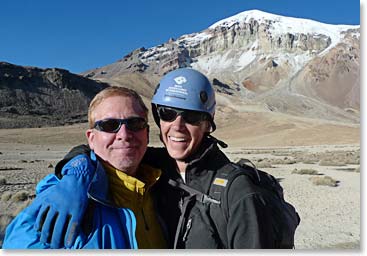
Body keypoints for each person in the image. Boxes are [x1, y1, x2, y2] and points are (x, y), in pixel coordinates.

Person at [10, 68, 300, 249]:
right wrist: (75, 172)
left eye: (192, 117)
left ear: (209, 123)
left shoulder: (237, 192)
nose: (177, 126)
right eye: (167, 114)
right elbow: (101, 150)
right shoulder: (153, 167)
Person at [2, 86, 169, 249]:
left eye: (135, 123)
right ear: (91, 139)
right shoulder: (57, 201)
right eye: (109, 125)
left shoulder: (165, 186)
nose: (124, 135)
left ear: (147, 133)